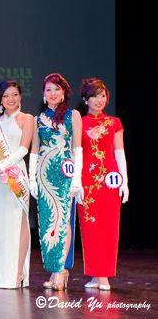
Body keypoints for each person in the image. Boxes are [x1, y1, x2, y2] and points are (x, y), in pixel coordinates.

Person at [29, 73, 83, 291]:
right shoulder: (38, 119)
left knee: (63, 221)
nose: (52, 94)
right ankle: (54, 269)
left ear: (64, 93)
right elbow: (34, 150)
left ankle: (60, 270)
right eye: (48, 90)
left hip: (64, 173)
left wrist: (77, 179)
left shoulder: (73, 115)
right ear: (43, 94)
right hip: (43, 174)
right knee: (47, 222)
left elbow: (77, 148)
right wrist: (32, 177)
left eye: (56, 89)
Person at [77, 77, 128, 291]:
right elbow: (76, 153)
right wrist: (76, 181)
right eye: (94, 96)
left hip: (109, 182)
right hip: (87, 183)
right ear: (85, 99)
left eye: (103, 96)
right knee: (90, 229)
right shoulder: (80, 122)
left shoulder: (114, 122)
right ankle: (95, 275)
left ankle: (104, 276)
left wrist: (125, 181)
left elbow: (119, 152)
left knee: (108, 228)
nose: (99, 100)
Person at [0, 80, 33, 288]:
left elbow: (23, 149)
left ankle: (18, 273)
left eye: (14, 94)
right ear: (0, 99)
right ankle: (3, 274)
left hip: (16, 174)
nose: (10, 99)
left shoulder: (27, 118)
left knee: (19, 222)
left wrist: (2, 165)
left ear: (20, 96)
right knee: (1, 224)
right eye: (6, 96)